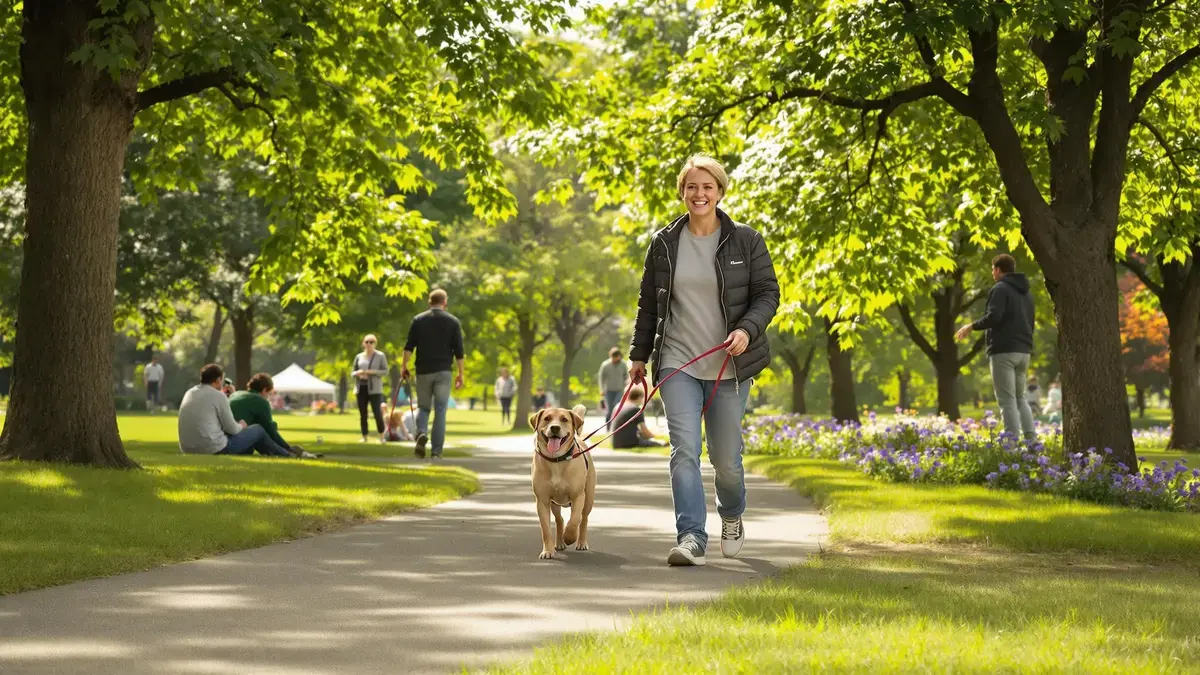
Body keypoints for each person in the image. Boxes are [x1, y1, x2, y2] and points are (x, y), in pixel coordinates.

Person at [629, 155, 780, 567]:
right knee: (684, 450)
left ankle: (731, 515)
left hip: (729, 366)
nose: (699, 194)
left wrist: (747, 330)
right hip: (677, 360)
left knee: (727, 460)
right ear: (682, 192)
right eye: (692, 187)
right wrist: (639, 356)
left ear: (719, 191)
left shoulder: (746, 240)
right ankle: (692, 536)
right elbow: (648, 305)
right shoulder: (662, 243)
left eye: (707, 187)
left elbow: (768, 293)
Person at [956, 253, 1037, 442]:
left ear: (999, 269)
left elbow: (994, 317)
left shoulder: (1000, 289)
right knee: (1020, 398)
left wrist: (971, 326)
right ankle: (1032, 443)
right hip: (1023, 351)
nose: (992, 273)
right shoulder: (1027, 294)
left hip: (1003, 351)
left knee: (1007, 400)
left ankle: (1011, 444)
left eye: (993, 269)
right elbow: (1030, 323)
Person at [401, 288, 465, 460]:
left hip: (423, 371)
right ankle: (436, 451)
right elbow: (459, 351)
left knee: (423, 407)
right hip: (444, 371)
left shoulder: (418, 320)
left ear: (429, 302)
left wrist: (404, 367)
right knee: (441, 410)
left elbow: (409, 347)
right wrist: (461, 374)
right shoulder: (453, 322)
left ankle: (421, 432)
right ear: (445, 302)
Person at [177, 364, 295, 457]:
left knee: (248, 446)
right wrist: (242, 425)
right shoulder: (218, 396)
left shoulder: (190, 392)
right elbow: (232, 429)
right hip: (214, 448)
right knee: (258, 430)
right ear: (218, 380)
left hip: (187, 448)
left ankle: (274, 453)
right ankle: (286, 455)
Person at [229, 373, 320, 459]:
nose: (268, 397)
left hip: (227, 439)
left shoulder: (236, 394)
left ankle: (288, 453)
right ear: (264, 390)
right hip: (236, 442)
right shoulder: (260, 401)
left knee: (264, 429)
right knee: (262, 430)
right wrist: (286, 446)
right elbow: (269, 430)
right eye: (268, 393)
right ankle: (288, 454)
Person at [352, 334, 388, 444]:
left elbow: (385, 371)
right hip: (361, 388)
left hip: (374, 389)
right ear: (363, 343)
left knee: (377, 412)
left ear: (375, 343)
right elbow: (352, 372)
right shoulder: (359, 356)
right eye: (367, 342)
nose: (369, 344)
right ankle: (364, 436)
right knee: (363, 414)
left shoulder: (380, 356)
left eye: (371, 342)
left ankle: (382, 436)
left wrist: (371, 372)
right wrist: (358, 373)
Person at [598, 347, 630, 426]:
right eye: (614, 357)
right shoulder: (605, 365)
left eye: (617, 357)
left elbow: (626, 375)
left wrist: (626, 383)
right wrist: (601, 389)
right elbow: (601, 378)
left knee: (617, 406)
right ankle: (608, 426)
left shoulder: (623, 364)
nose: (616, 359)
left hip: (619, 390)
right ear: (611, 356)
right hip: (608, 390)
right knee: (610, 409)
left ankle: (616, 425)